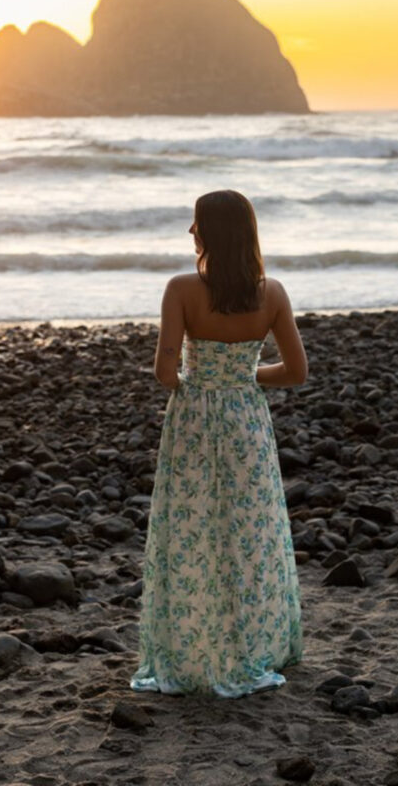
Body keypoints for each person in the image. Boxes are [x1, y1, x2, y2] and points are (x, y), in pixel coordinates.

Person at [130, 189, 307, 697]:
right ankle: (257, 641)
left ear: (210, 232)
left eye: (196, 223)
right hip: (246, 420)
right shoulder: (270, 292)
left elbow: (166, 374)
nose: (190, 232)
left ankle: (193, 645)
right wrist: (246, 377)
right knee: (251, 532)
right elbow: (295, 372)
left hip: (193, 420)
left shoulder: (181, 289)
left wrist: (200, 378)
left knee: (192, 527)